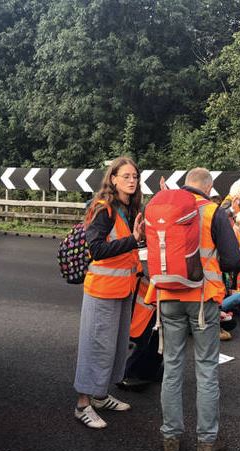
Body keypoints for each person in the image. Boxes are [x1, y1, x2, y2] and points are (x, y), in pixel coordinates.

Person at [150, 168, 240, 451]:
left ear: (185, 184)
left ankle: (170, 439)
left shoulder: (164, 206)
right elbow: (230, 260)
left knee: (172, 368)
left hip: (167, 296)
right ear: (208, 186)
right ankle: (206, 443)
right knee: (206, 370)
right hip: (201, 299)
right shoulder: (213, 211)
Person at [73, 156, 145, 429]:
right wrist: (133, 240)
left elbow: (127, 247)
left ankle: (101, 396)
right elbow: (98, 249)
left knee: (113, 346)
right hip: (102, 290)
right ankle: (82, 404)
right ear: (112, 179)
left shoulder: (128, 208)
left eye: (134, 176)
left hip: (122, 288)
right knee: (95, 346)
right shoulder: (103, 208)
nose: (131, 180)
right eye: (125, 175)